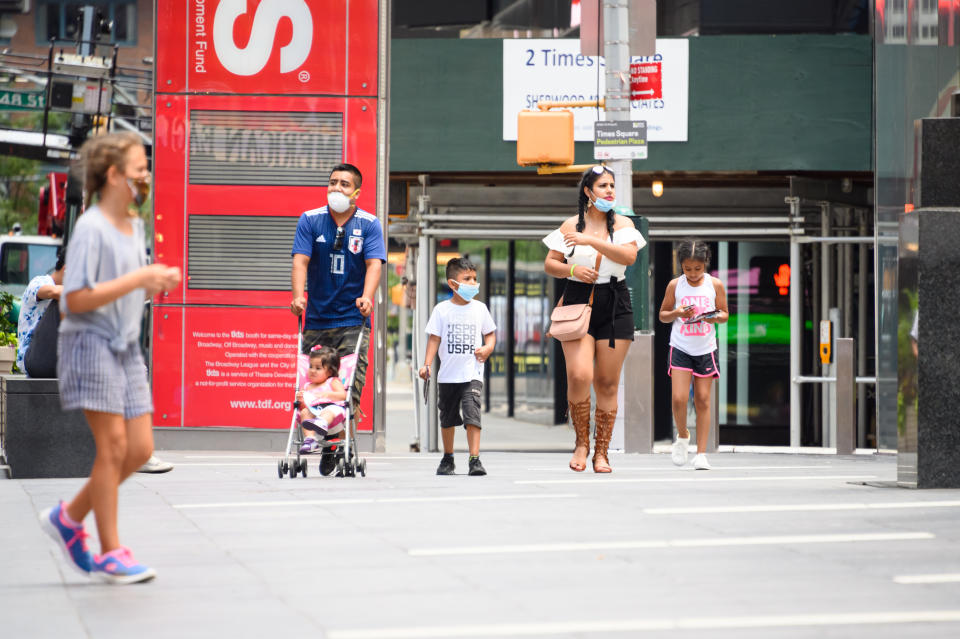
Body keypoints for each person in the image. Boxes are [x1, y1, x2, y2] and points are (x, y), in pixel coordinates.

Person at [38, 132, 181, 584]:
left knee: (140, 449)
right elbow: (74, 300)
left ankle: (68, 517)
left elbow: (122, 284)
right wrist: (140, 276)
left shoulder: (134, 226)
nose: (146, 176)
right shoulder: (92, 227)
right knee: (114, 447)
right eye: (140, 167)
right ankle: (111, 551)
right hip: (89, 343)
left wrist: (152, 281)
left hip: (124, 346)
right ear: (115, 174)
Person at [543, 165, 645, 473]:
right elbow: (550, 264)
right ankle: (581, 443)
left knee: (607, 382)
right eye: (603, 186)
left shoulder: (624, 224)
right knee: (579, 375)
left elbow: (628, 257)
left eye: (612, 185)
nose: (610, 191)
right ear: (588, 192)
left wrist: (590, 242)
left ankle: (602, 452)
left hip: (615, 301)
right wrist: (572, 270)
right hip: (578, 299)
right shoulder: (570, 225)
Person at [290, 163, 386, 417]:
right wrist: (298, 296)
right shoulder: (310, 219)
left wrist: (367, 297)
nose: (336, 188)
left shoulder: (370, 224)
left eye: (344, 184)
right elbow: (300, 261)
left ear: (357, 193)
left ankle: (335, 448)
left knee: (347, 388)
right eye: (333, 182)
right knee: (310, 385)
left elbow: (374, 264)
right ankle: (317, 435)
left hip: (353, 320)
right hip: (317, 319)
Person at [418, 257, 496, 476]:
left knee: (472, 414)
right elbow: (434, 339)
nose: (473, 283)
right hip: (448, 376)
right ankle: (448, 457)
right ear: (453, 284)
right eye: (467, 279)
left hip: (472, 373)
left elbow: (490, 334)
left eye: (474, 279)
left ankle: (474, 459)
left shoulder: (480, 308)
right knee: (448, 418)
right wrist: (427, 364)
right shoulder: (442, 310)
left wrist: (488, 348)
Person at [658, 239, 728, 470]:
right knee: (679, 398)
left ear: (705, 264)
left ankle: (701, 453)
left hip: (706, 348)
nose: (693, 273)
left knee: (703, 400)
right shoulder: (674, 285)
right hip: (681, 346)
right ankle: (683, 435)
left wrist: (713, 317)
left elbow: (725, 314)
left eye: (697, 269)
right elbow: (663, 316)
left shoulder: (715, 284)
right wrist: (677, 312)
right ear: (681, 266)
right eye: (687, 269)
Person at [17, 248, 65, 373]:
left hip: (51, 357)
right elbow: (54, 291)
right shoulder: (40, 281)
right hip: (33, 359)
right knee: (61, 297)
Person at [297, 345, 347, 454]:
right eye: (311, 366)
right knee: (305, 412)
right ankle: (310, 440)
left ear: (329, 371)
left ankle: (322, 422)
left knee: (328, 411)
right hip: (314, 412)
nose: (313, 371)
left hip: (333, 415)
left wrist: (327, 394)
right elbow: (304, 408)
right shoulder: (307, 386)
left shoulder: (332, 381)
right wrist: (301, 400)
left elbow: (343, 395)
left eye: (318, 368)